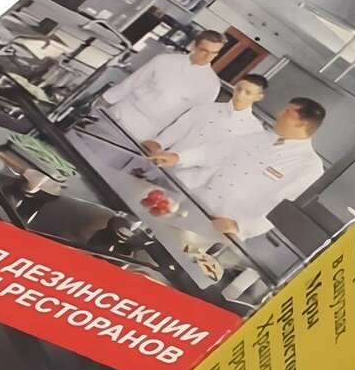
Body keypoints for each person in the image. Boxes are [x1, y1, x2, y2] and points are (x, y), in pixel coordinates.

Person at [156, 96, 326, 239]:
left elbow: (283, 212)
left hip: (224, 228)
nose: (279, 113)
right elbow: (215, 151)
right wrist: (178, 158)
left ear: (301, 124)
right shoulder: (261, 138)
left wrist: (239, 227)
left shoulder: (309, 165)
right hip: (195, 203)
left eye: (287, 112)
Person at [94, 29, 227, 160]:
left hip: (143, 133)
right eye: (204, 50)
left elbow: (189, 121)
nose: (207, 57)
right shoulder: (164, 60)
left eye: (213, 53)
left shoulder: (211, 85)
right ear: (193, 46)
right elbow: (130, 84)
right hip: (118, 114)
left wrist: (160, 142)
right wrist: (99, 104)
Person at [150, 71, 268, 174]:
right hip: (164, 164)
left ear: (259, 97)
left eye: (248, 93)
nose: (240, 95)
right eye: (239, 89)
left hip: (192, 180)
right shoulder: (205, 108)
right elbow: (177, 131)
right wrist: (158, 144)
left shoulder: (254, 130)